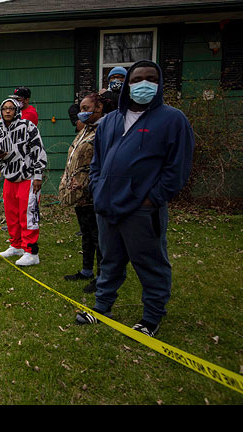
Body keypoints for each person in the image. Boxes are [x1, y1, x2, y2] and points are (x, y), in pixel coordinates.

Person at [75, 60, 195, 337]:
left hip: (143, 210)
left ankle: (151, 318)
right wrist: (98, 187)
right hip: (107, 206)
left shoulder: (172, 120)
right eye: (137, 79)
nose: (143, 84)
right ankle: (102, 308)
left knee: (150, 262)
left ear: (159, 83)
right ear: (128, 84)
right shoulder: (110, 121)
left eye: (150, 79)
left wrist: (152, 199)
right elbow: (98, 162)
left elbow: (177, 168)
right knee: (110, 261)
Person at [59, 93, 112, 293]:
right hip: (79, 193)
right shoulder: (85, 129)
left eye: (86, 108)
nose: (82, 112)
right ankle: (86, 270)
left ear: (98, 108)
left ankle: (102, 277)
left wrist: (91, 184)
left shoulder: (104, 130)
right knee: (86, 234)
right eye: (81, 108)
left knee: (99, 237)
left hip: (93, 192)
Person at [0, 98, 47, 266]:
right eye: (5, 108)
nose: (8, 111)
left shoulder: (28, 127)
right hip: (10, 177)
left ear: (16, 111)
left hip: (28, 177)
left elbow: (39, 151)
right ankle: (16, 245)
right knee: (11, 213)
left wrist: (38, 175)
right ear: (1, 111)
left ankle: (31, 251)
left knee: (28, 213)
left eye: (11, 108)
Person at [68, 67, 126, 132]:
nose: (116, 80)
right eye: (113, 77)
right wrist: (77, 121)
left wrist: (107, 94)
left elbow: (123, 101)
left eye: (120, 77)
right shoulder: (102, 97)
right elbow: (74, 108)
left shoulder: (132, 95)